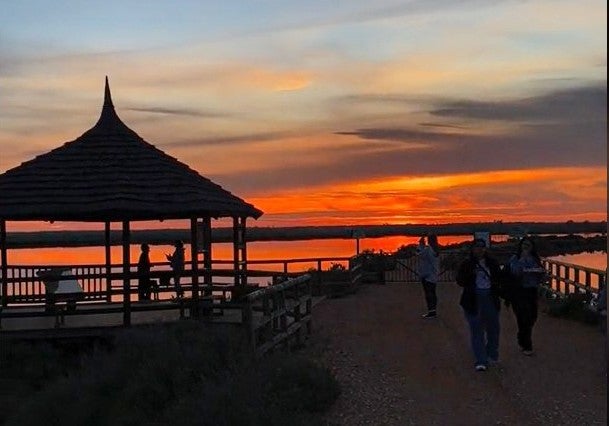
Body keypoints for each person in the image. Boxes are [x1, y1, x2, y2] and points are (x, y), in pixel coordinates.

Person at [456, 238, 503, 371]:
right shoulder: (467, 264)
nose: (480, 249)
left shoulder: (492, 263)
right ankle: (481, 360)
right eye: (477, 247)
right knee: (477, 330)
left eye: (482, 246)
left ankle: (492, 354)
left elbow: (499, 279)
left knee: (494, 329)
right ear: (472, 249)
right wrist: (471, 274)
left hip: (490, 297)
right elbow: (460, 281)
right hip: (473, 299)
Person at [508, 237, 546, 356]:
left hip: (531, 290)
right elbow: (515, 272)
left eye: (528, 244)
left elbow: (540, 275)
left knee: (532, 316)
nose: (526, 246)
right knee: (523, 316)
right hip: (519, 291)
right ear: (520, 245)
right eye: (524, 244)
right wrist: (523, 259)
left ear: (532, 246)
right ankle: (527, 345)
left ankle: (521, 335)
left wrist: (542, 273)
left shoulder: (535, 259)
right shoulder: (515, 258)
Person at [417, 234, 440, 318]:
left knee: (429, 293)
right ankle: (433, 310)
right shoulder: (435, 249)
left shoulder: (428, 249)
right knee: (433, 293)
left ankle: (431, 312)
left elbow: (420, 254)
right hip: (433, 274)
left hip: (427, 275)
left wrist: (420, 244)